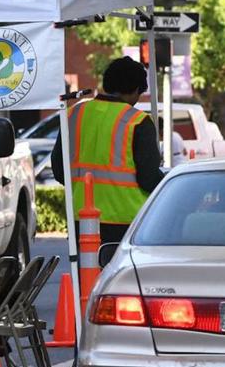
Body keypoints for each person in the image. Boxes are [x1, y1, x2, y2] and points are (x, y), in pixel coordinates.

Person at [52, 56, 164, 244]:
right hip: (128, 221)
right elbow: (148, 177)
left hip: (81, 219)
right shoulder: (138, 121)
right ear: (136, 89)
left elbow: (58, 169)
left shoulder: (74, 114)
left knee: (87, 272)